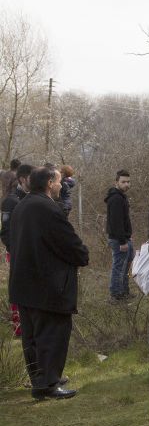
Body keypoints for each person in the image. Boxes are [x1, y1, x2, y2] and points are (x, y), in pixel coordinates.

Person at [9, 165, 90, 399]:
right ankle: (49, 383)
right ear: (48, 184)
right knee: (52, 335)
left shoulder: (21, 206)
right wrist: (83, 255)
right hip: (48, 285)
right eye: (57, 181)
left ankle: (40, 380)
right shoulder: (47, 209)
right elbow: (69, 243)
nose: (61, 185)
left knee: (32, 337)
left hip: (24, 284)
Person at [2, 163, 32, 338]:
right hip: (15, 253)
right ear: (22, 179)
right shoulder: (11, 201)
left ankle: (29, 324)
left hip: (29, 252)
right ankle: (19, 328)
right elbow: (5, 232)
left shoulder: (30, 198)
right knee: (17, 288)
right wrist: (15, 250)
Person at [105, 169, 134, 302]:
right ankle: (116, 295)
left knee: (126, 265)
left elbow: (124, 220)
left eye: (128, 182)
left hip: (124, 238)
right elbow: (116, 222)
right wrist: (122, 241)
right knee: (119, 267)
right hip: (118, 240)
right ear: (116, 182)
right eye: (123, 182)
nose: (126, 184)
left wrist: (128, 236)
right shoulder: (116, 198)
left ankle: (124, 292)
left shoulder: (121, 196)